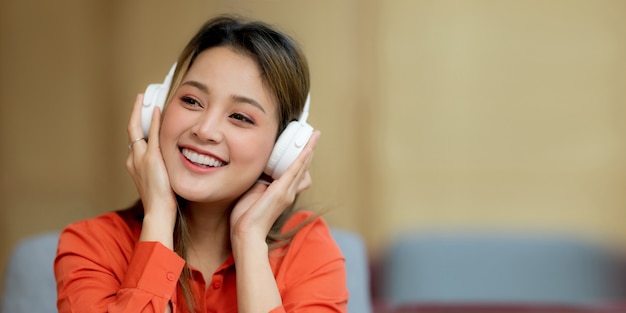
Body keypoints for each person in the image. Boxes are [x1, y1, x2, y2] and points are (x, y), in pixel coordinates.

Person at [54, 15, 348, 313]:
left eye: (240, 117)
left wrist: (249, 242)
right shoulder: (92, 245)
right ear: (159, 108)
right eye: (192, 101)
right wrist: (159, 215)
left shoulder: (307, 248)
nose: (204, 130)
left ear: (281, 148)